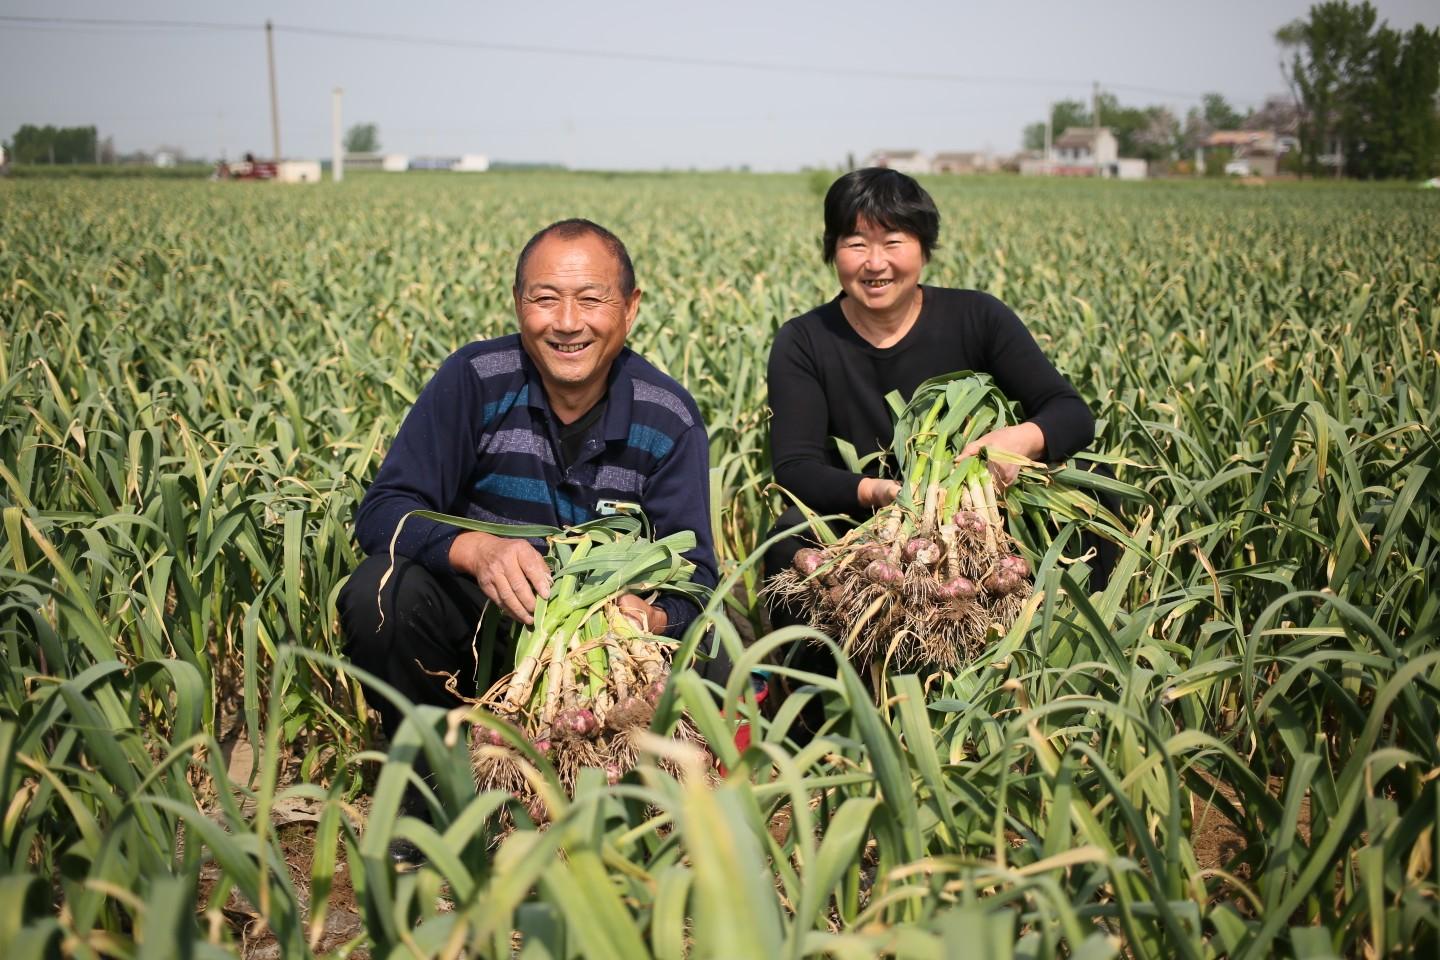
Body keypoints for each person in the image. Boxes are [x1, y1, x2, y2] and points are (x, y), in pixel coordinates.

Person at [338, 218, 719, 747]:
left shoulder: (666, 417)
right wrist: (476, 550)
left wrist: (649, 617)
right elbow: (383, 511)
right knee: (379, 591)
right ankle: (426, 783)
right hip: (476, 639)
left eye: (590, 300)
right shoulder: (475, 379)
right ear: (518, 303)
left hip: (596, 656)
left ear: (630, 308)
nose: (567, 322)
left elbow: (698, 577)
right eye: (545, 299)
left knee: (714, 664)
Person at [763, 167, 1108, 673]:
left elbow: (1071, 413)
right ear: (832, 250)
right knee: (788, 538)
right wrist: (888, 494)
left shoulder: (977, 317)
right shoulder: (805, 340)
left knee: (1100, 494)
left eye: (893, 242)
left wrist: (1018, 441)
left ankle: (1073, 670)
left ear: (924, 248)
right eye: (856, 243)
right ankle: (824, 718)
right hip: (866, 521)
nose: (875, 263)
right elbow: (795, 467)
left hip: (985, 514)